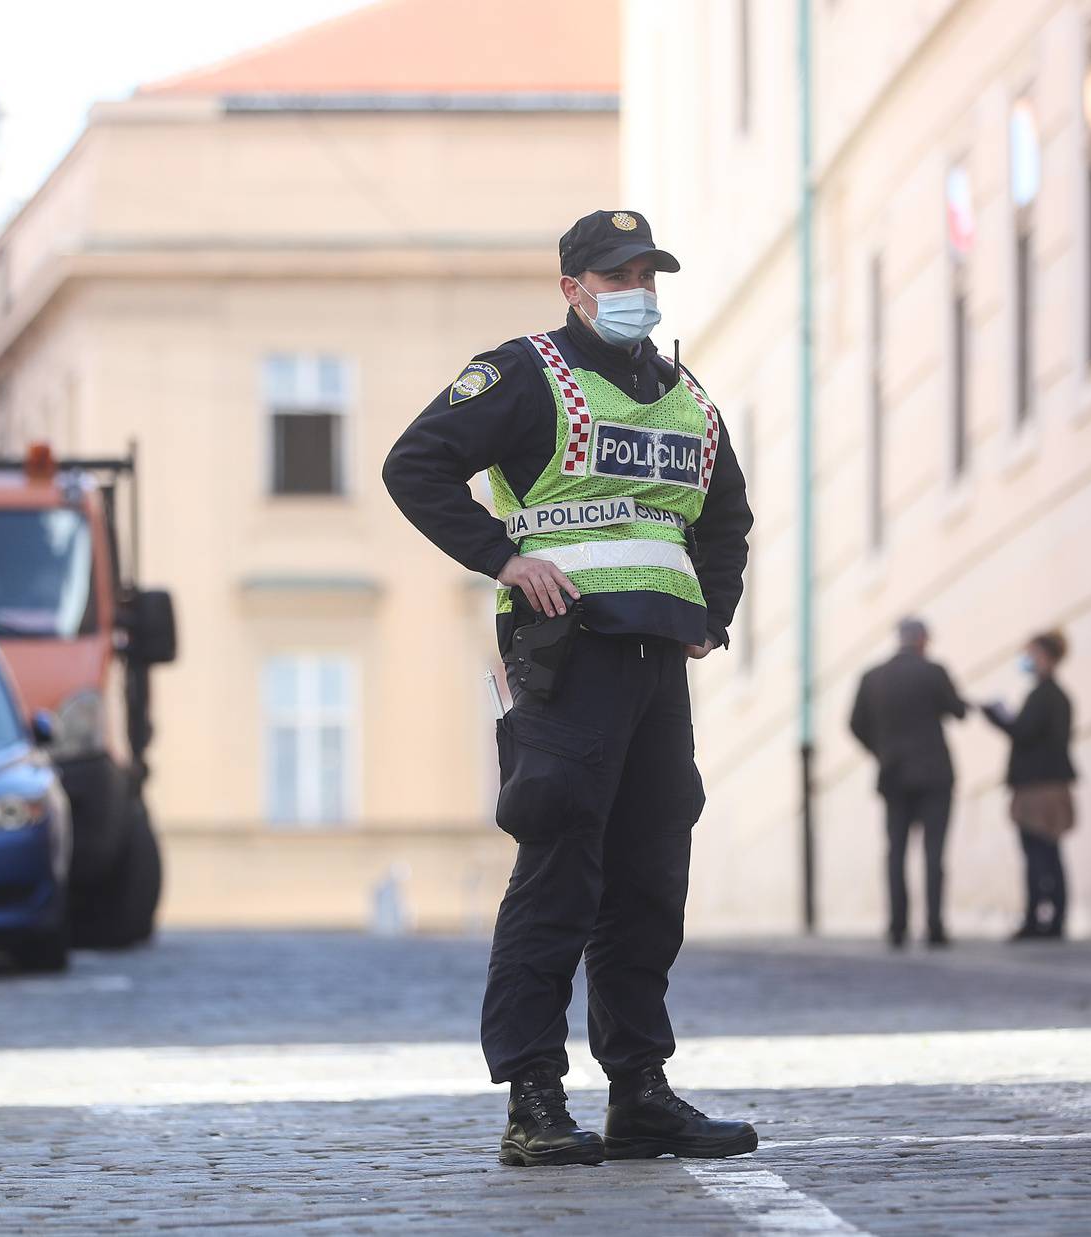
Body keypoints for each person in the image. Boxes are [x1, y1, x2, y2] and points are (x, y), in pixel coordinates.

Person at [382, 209, 757, 1167]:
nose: (637, 287)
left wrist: (711, 612)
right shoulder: (524, 373)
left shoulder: (684, 394)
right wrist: (502, 558)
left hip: (656, 664)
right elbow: (414, 465)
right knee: (558, 864)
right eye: (618, 273)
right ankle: (534, 1099)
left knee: (647, 877)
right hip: (565, 652)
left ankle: (639, 1091)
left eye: (647, 271)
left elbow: (726, 516)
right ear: (573, 288)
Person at [848, 617, 967, 948]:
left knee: (896, 852)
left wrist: (882, 750)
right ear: (922, 640)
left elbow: (856, 724)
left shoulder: (872, 677)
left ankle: (897, 926)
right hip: (934, 774)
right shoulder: (933, 672)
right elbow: (957, 710)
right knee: (933, 853)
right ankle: (934, 926)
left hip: (894, 773)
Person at [982, 631, 1078, 941]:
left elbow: (1024, 732)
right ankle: (1050, 918)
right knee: (1047, 853)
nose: (1026, 661)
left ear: (1046, 657)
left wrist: (997, 718)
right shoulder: (1051, 695)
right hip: (1046, 784)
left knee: (1041, 853)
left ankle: (1042, 919)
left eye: (1031, 654)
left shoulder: (1046, 695)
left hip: (1039, 787)